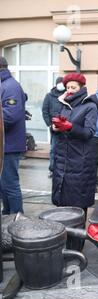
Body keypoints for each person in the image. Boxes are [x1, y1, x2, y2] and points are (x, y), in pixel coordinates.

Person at [52, 73, 98, 218]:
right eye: (68, 87)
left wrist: (70, 127)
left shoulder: (90, 106)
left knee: (77, 205)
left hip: (80, 162)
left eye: (74, 87)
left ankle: (77, 240)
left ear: (81, 88)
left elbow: (88, 133)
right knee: (62, 208)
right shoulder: (64, 104)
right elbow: (59, 128)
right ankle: (64, 238)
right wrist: (54, 128)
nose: (70, 90)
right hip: (62, 160)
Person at [0, 56, 26, 215]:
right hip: (4, 145)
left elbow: (9, 116)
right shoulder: (4, 84)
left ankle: (17, 218)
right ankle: (7, 214)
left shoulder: (10, 86)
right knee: (3, 185)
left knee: (10, 185)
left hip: (8, 145)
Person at [42, 76, 65, 178]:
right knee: (54, 150)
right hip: (54, 128)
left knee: (65, 150)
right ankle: (52, 169)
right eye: (59, 83)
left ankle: (63, 169)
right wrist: (50, 124)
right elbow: (45, 111)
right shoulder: (49, 96)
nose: (61, 85)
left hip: (66, 128)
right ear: (56, 84)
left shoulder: (67, 95)